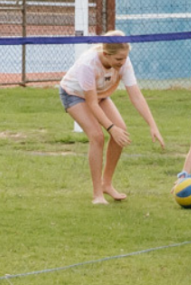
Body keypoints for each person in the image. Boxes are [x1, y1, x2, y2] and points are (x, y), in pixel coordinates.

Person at [56, 31, 165, 205]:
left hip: (101, 93)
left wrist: (152, 125)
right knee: (97, 136)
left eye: (124, 59)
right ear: (106, 54)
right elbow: (92, 103)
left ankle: (106, 184)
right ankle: (97, 195)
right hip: (74, 95)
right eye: (119, 60)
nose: (122, 63)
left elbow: (135, 95)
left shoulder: (123, 61)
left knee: (121, 131)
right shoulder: (88, 64)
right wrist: (110, 128)